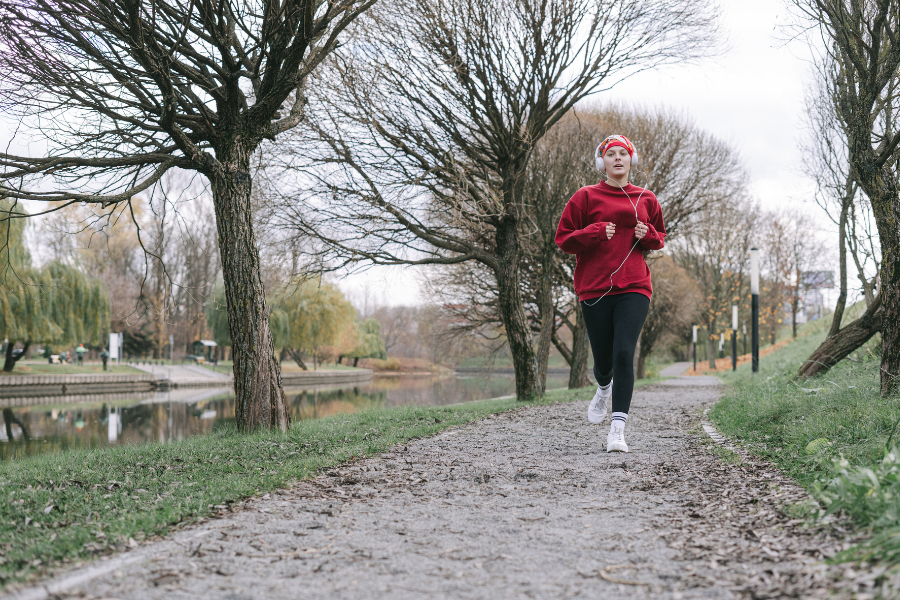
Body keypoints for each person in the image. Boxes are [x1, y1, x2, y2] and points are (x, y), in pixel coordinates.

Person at [555, 135, 666, 453]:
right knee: (603, 361)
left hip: (635, 287)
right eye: (610, 154)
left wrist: (648, 235)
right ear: (601, 161)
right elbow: (564, 239)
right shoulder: (585, 197)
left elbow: (660, 237)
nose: (617, 158)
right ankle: (603, 387)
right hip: (595, 287)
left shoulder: (646, 197)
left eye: (623, 153)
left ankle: (617, 430)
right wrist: (593, 232)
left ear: (632, 160)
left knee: (623, 354)